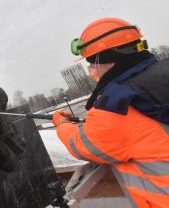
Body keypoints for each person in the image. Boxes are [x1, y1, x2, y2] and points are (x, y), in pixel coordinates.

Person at [53, 17, 169, 207]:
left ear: (106, 59)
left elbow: (82, 144)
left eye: (92, 64)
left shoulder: (117, 106)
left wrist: (61, 124)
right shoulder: (163, 71)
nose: (91, 72)